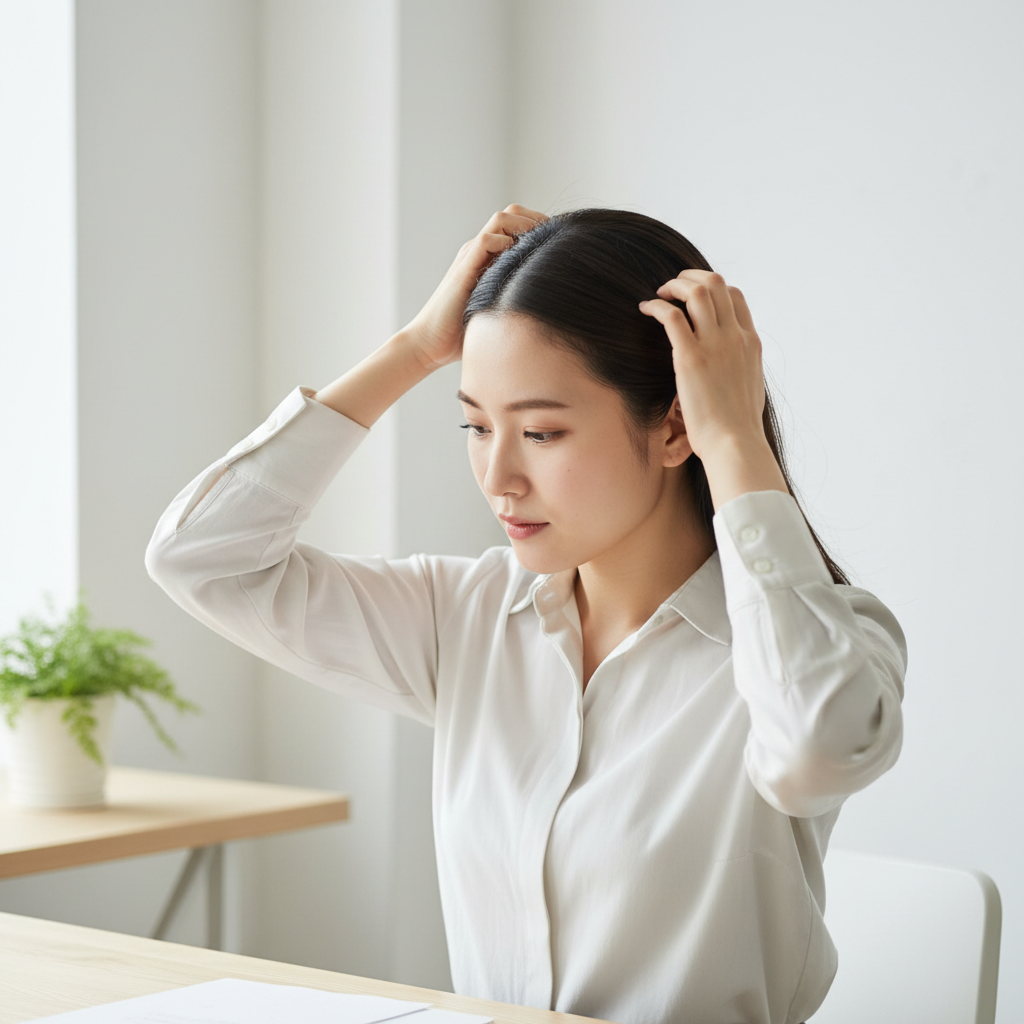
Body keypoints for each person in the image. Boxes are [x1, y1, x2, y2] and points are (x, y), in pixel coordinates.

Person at [146, 205, 906, 1024]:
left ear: (675, 426)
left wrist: (734, 443)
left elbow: (816, 754)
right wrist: (415, 348)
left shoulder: (817, 643)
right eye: (475, 425)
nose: (497, 476)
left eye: (541, 432)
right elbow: (203, 559)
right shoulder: (469, 617)